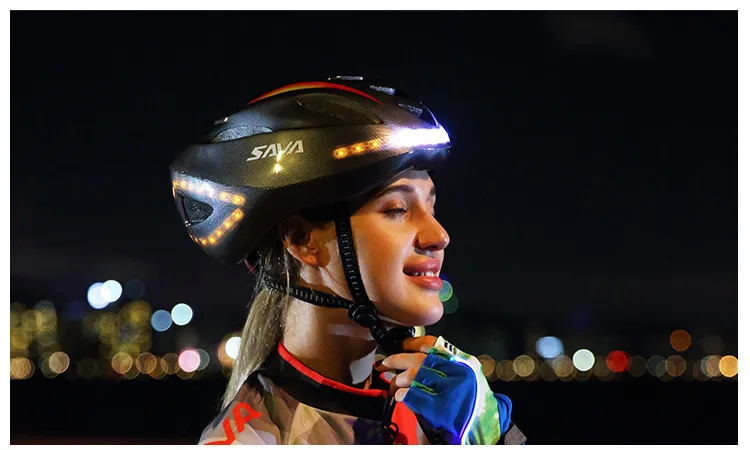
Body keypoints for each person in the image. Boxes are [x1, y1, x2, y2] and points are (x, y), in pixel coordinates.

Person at [169, 76, 526, 445]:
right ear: (303, 240)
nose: (439, 236)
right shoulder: (252, 440)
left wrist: (494, 433)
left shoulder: (435, 406)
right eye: (397, 209)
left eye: (431, 208)